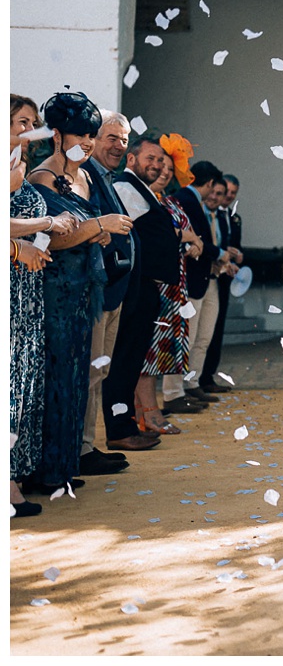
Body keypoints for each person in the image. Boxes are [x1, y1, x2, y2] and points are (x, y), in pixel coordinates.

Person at [26, 91, 133, 494]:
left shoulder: (86, 174)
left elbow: (86, 231)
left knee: (77, 380)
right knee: (55, 378)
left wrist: (99, 232)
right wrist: (98, 226)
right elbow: (50, 238)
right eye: (80, 135)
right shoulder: (40, 177)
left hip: (86, 292)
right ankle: (46, 470)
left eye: (91, 135)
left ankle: (66, 464)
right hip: (54, 293)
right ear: (56, 134)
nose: (88, 143)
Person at [101, 136, 179, 449]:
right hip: (132, 285)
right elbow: (132, 232)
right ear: (131, 159)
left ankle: (126, 425)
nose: (157, 165)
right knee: (123, 361)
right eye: (151, 158)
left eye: (161, 160)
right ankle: (119, 430)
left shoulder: (140, 188)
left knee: (132, 360)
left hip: (145, 285)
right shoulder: (124, 186)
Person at [9, 95, 65, 516]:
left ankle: (14, 478)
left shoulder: (19, 167)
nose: (28, 131)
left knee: (24, 384)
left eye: (32, 123)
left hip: (27, 291)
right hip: (9, 288)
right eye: (20, 122)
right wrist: (43, 227)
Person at [80, 110, 134, 477]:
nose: (118, 145)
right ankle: (82, 449)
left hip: (113, 293)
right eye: (111, 137)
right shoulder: (88, 177)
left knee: (98, 372)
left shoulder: (106, 178)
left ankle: (88, 444)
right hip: (96, 292)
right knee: (89, 373)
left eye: (124, 140)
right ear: (93, 139)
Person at [136, 147, 202, 435]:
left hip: (173, 288)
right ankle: (148, 412)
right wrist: (184, 237)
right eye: (158, 165)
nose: (163, 172)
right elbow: (154, 236)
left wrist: (192, 242)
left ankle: (142, 411)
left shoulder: (171, 203)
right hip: (153, 285)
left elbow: (188, 236)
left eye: (169, 169)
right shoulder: (143, 199)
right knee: (146, 353)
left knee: (158, 354)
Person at [165, 160, 223, 411]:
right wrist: (220, 252)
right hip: (190, 277)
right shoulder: (186, 200)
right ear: (209, 183)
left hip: (201, 277)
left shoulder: (186, 199)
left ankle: (189, 384)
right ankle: (175, 391)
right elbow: (196, 238)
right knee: (185, 337)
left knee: (197, 336)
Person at [198, 173, 242, 393]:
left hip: (224, 276)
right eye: (223, 192)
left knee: (214, 329)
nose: (226, 197)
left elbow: (232, 244)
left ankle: (207, 376)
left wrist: (236, 257)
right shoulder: (205, 213)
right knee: (201, 331)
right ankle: (197, 379)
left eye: (231, 194)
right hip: (206, 274)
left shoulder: (232, 217)